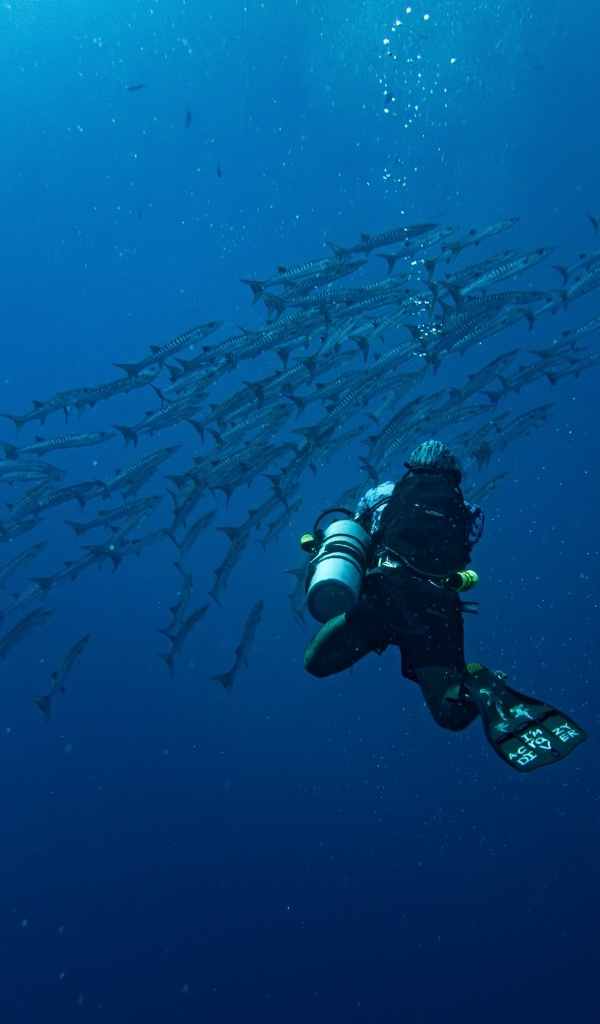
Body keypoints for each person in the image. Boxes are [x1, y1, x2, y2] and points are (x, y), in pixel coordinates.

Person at [303, 440, 586, 772]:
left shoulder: (382, 493)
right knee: (447, 712)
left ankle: (464, 678)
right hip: (440, 606)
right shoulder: (471, 511)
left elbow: (358, 540)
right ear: (453, 473)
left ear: (413, 465)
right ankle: (478, 685)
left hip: (387, 594)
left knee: (316, 663)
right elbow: (462, 550)